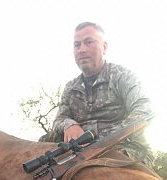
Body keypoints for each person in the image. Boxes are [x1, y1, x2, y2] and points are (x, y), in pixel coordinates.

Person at [42, 22, 154, 168]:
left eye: (88, 42)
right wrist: (70, 125)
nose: (82, 49)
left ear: (104, 47)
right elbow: (59, 119)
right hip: (78, 150)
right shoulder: (71, 87)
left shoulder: (122, 76)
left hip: (124, 148)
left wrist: (99, 139)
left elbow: (145, 111)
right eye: (77, 45)